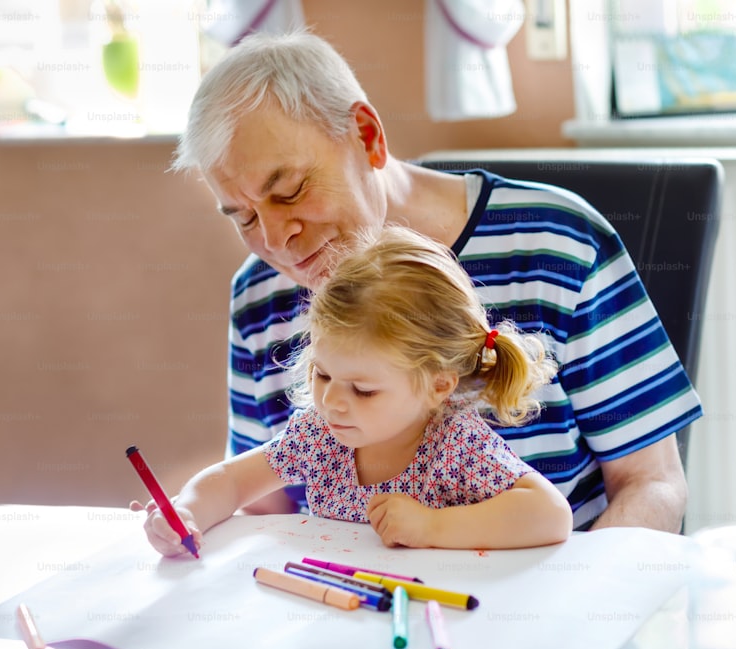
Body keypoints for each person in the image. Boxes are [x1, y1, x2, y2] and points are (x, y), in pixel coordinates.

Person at [171, 29, 702, 533]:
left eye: (288, 191)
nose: (276, 239)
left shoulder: (558, 245)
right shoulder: (260, 294)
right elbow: (262, 508)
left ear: (368, 137)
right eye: (242, 216)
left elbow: (652, 483)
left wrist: (575, 612)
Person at [136, 226, 572, 555]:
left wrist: (432, 528)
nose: (331, 401)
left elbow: (550, 515)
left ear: (438, 385)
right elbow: (231, 482)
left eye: (363, 391)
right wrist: (188, 512)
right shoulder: (320, 435)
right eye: (323, 375)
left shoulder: (455, 443)